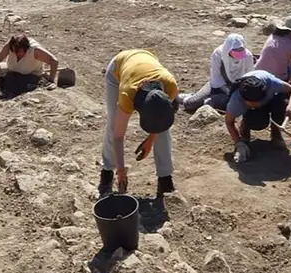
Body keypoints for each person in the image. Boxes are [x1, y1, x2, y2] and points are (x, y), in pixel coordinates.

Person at [100, 49, 180, 198]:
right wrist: (121, 171)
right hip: (118, 68)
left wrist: (150, 140)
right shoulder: (127, 95)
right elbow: (118, 136)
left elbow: (160, 119)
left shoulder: (170, 85)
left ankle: (165, 178)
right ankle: (107, 171)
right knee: (113, 124)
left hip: (147, 60)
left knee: (163, 129)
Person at [224, 71, 291, 163]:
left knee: (282, 103)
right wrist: (238, 143)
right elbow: (229, 122)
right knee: (257, 121)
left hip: (270, 102)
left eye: (259, 101)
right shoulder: (236, 100)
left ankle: (276, 135)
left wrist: (290, 106)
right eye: (252, 103)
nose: (257, 104)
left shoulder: (270, 83)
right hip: (252, 111)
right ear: (244, 99)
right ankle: (245, 131)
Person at [181, 33, 255, 112]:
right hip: (217, 85)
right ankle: (190, 97)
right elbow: (216, 77)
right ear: (229, 49)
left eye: (241, 49)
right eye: (236, 50)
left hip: (237, 89)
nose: (239, 52)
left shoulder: (248, 56)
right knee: (191, 104)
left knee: (212, 103)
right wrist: (227, 90)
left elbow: (249, 76)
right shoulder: (218, 54)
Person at [0, 34, 59, 98]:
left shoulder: (34, 50)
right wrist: (0, 78)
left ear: (26, 49)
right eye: (15, 51)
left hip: (30, 74)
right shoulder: (11, 45)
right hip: (12, 70)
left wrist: (51, 80)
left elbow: (54, 61)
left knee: (20, 85)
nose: (16, 54)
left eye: (20, 52)